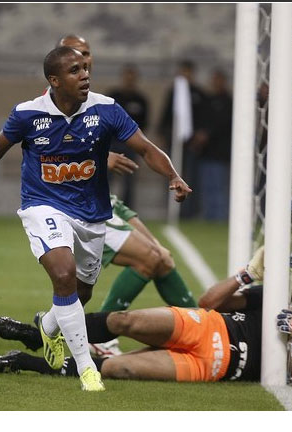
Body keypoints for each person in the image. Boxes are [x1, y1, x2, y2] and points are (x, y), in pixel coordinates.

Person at [0, 46, 191, 392]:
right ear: (54, 80)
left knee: (81, 293)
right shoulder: (28, 114)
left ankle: (47, 327)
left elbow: (145, 148)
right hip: (43, 206)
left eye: (85, 68)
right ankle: (85, 371)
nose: (85, 75)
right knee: (63, 274)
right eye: (75, 70)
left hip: (91, 215)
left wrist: (173, 176)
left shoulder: (106, 109)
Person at [0, 247, 292, 385]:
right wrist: (247, 274)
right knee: (125, 322)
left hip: (210, 368)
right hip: (205, 327)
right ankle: (37, 334)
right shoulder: (270, 299)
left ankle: (24, 362)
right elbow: (208, 300)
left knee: (116, 368)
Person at [56, 35, 196, 357]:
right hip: (72, 208)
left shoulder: (101, 104)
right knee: (148, 259)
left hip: (104, 202)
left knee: (161, 256)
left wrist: (173, 175)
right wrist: (101, 159)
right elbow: (48, 152)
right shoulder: (49, 105)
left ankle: (202, 325)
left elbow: (144, 145)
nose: (84, 60)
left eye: (87, 54)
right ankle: (99, 334)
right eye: (76, 55)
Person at [158, 60, 209, 219]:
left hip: (192, 145)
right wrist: (165, 135)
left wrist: (199, 136)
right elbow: (166, 117)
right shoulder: (174, 93)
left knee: (191, 178)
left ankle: (189, 213)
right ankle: (173, 210)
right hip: (174, 145)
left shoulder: (199, 94)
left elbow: (204, 119)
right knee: (172, 175)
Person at [105, 63, 150, 208]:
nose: (129, 79)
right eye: (127, 76)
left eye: (132, 76)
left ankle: (127, 210)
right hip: (112, 143)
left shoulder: (141, 99)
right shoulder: (113, 97)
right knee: (106, 177)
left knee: (129, 179)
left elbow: (144, 124)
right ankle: (104, 206)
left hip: (131, 145)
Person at [196, 69, 232, 221]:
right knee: (207, 185)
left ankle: (220, 216)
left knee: (218, 186)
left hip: (220, 152)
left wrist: (207, 134)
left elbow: (223, 124)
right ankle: (209, 215)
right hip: (206, 152)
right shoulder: (208, 101)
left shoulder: (228, 102)